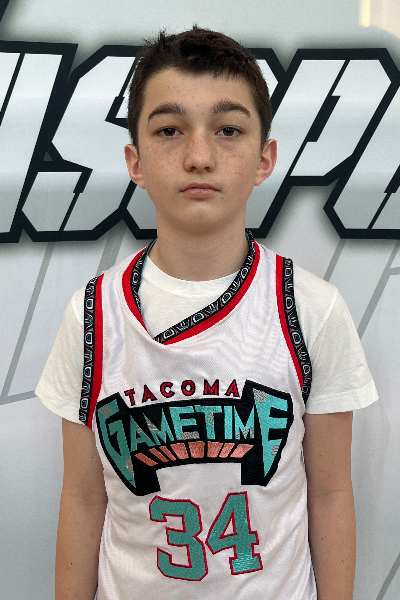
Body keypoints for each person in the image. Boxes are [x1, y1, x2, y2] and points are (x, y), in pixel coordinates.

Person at [36, 26, 378, 600]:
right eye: (169, 130)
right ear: (136, 161)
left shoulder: (311, 308)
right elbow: (83, 499)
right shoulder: (92, 315)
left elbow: (329, 493)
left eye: (228, 130)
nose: (199, 157)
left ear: (264, 158)